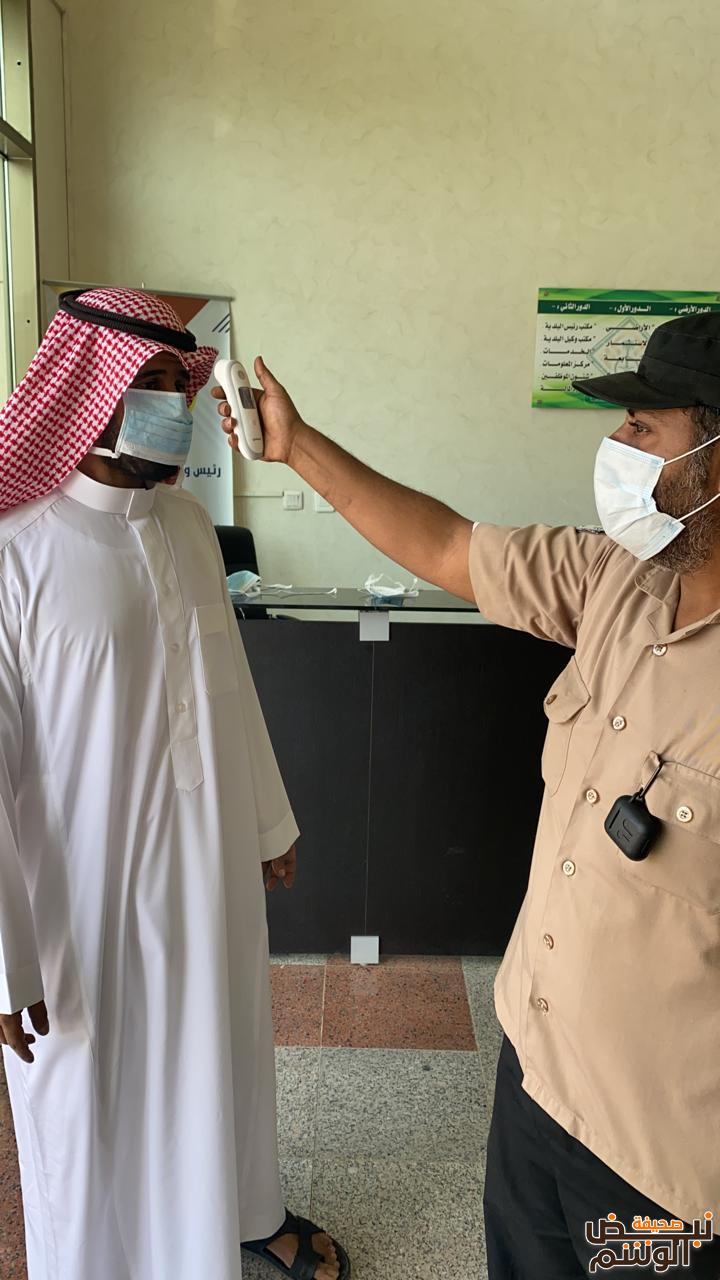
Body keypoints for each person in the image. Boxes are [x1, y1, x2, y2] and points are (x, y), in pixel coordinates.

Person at [214, 311, 720, 1279]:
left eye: (643, 426)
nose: (614, 444)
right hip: (536, 1072)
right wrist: (297, 446)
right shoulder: (618, 581)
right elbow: (450, 544)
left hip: (670, 1163)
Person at [0, 287, 348, 1280]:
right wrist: (4, 961)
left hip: (206, 873)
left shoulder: (190, 524)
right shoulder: (16, 555)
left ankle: (225, 1228)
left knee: (218, 1064)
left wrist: (268, 821)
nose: (172, 405)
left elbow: (227, 686)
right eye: (146, 382)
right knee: (91, 1101)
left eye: (179, 384)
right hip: (83, 903)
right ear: (85, 391)